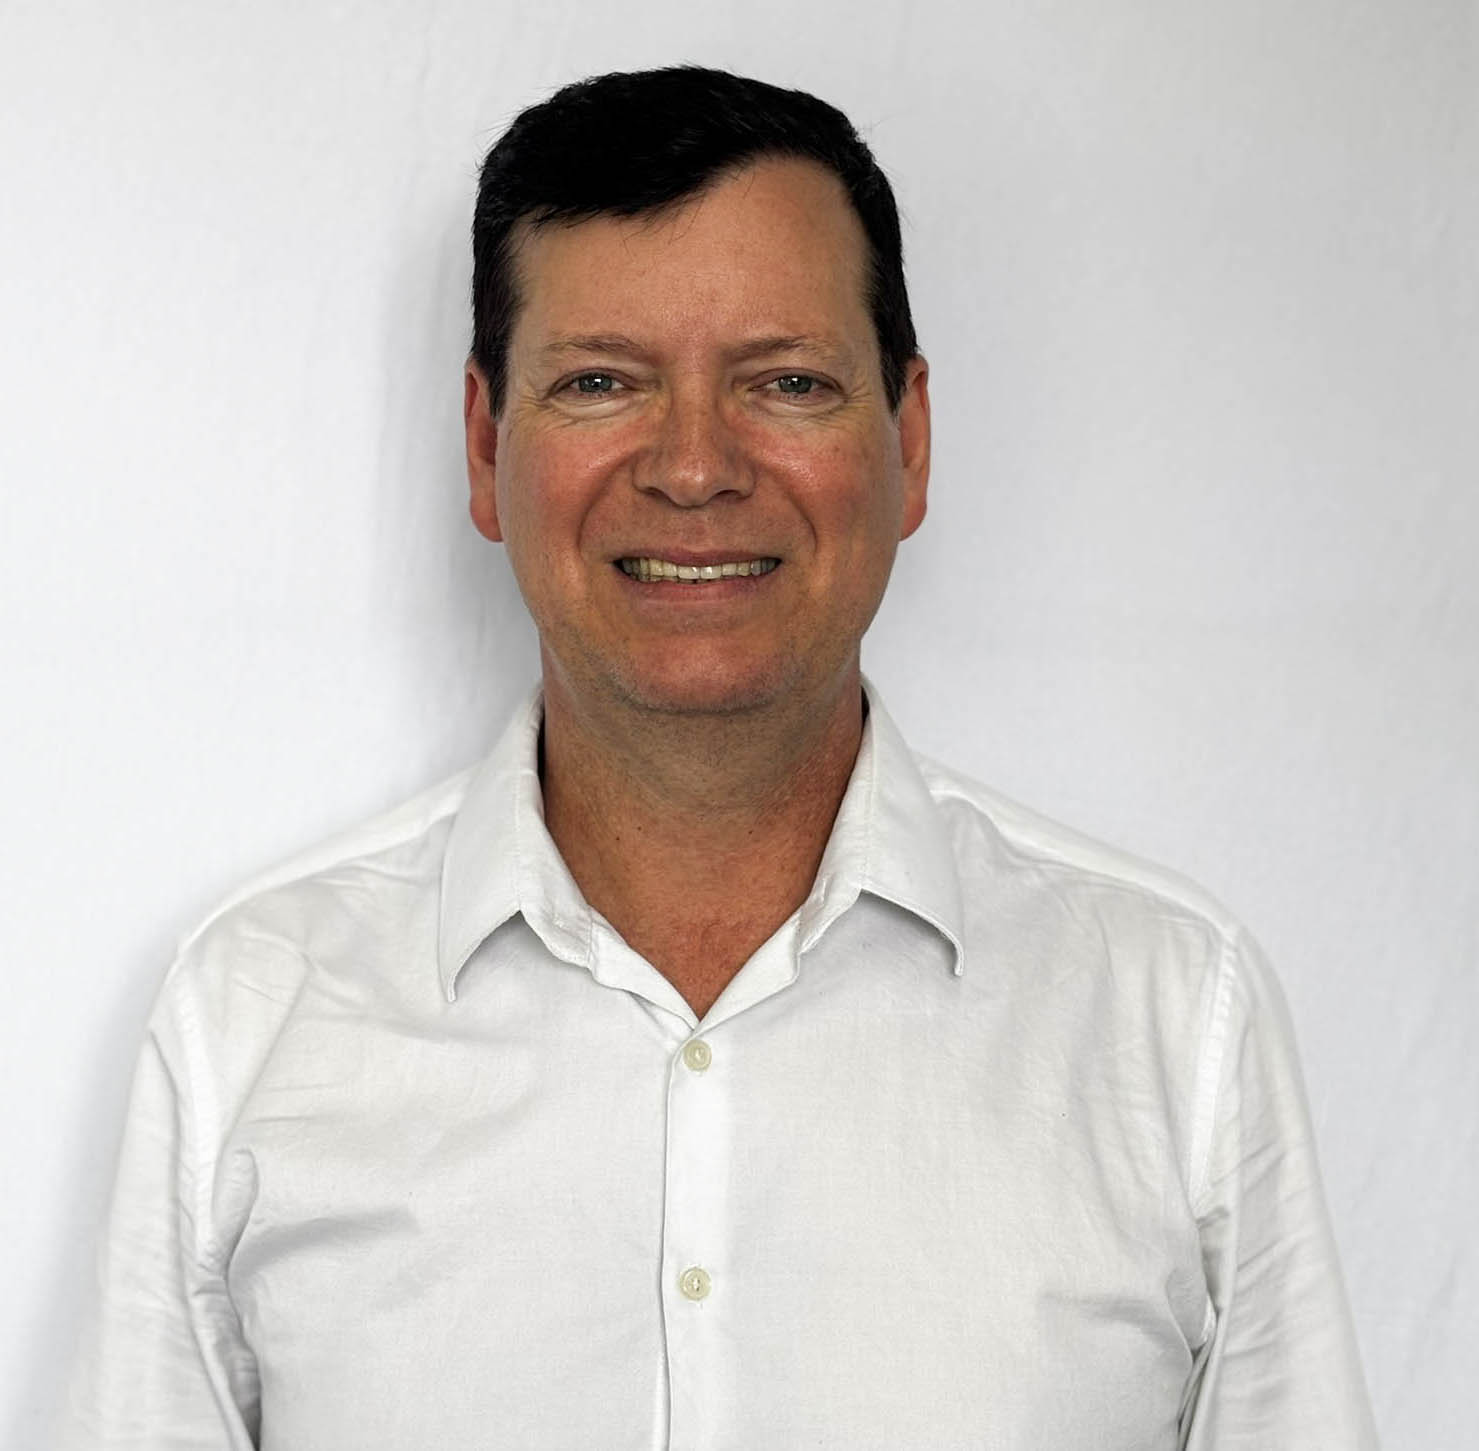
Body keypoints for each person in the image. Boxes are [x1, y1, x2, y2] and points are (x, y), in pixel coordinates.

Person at [59, 66, 1379, 1450]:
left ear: (909, 440)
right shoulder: (252, 1015)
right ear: (485, 444)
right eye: (600, 382)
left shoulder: (1170, 1019)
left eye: (787, 382)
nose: (693, 468)